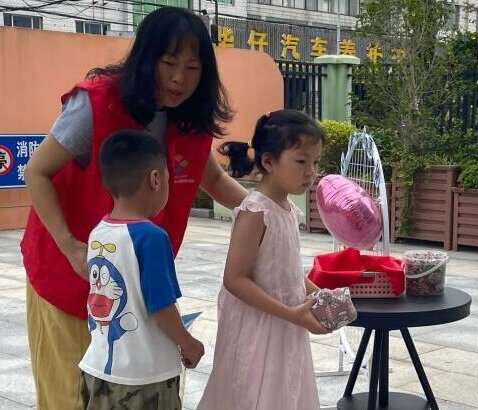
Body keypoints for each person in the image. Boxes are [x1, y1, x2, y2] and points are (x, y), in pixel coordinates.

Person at [21, 7, 246, 409]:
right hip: (68, 273)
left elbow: (212, 180)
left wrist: (266, 210)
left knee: (130, 391)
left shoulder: (188, 121)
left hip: (132, 290)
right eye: (169, 63)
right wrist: (71, 247)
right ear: (146, 58)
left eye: (192, 68)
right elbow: (37, 172)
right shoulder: (96, 104)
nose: (179, 79)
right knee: (68, 396)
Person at [198, 110, 329, 410]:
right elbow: (234, 279)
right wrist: (290, 313)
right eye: (301, 162)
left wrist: (317, 293)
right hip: (257, 328)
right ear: (269, 162)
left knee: (284, 390)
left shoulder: (287, 210)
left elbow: (285, 271)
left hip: (286, 323)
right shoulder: (255, 211)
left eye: (316, 162)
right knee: (254, 392)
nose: (311, 172)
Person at [80, 130, 204, 409]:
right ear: (155, 179)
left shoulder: (98, 232)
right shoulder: (151, 237)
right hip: (144, 379)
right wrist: (188, 343)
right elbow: (161, 308)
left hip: (97, 369)